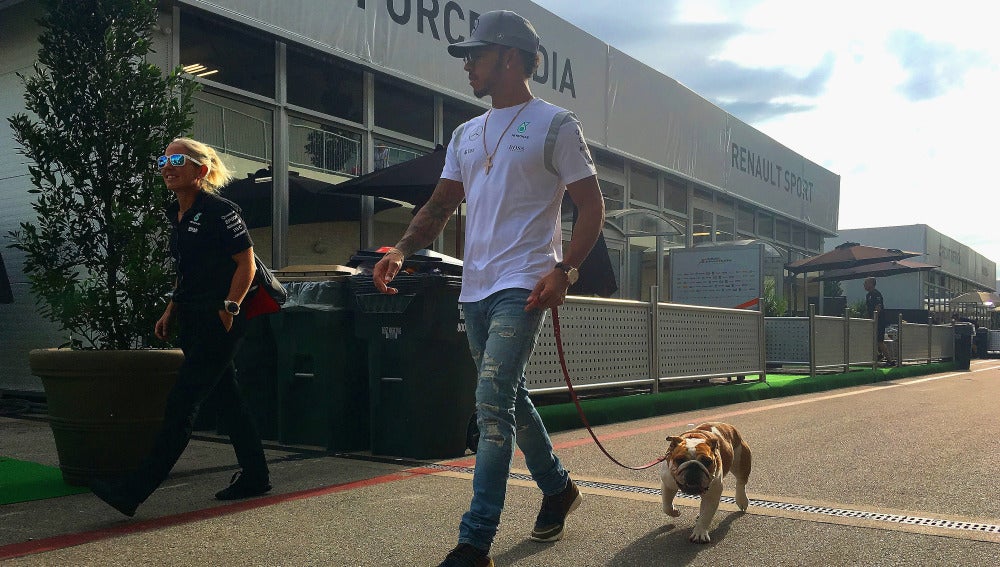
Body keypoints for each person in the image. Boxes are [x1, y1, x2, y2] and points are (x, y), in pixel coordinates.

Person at [372, 10, 604, 567]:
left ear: (509, 57)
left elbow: (592, 206)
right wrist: (403, 249)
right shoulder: (466, 133)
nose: (468, 66)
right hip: (474, 286)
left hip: (524, 282)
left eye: (475, 56)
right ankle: (558, 488)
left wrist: (564, 270)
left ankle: (474, 541)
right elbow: (441, 203)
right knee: (508, 396)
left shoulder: (556, 124)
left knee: (491, 403)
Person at [90, 137, 271, 516]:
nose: (167, 166)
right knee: (228, 399)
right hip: (191, 315)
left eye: (177, 159)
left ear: (201, 170)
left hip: (219, 319)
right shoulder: (177, 213)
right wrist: (170, 309)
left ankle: (132, 491)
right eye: (163, 159)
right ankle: (256, 475)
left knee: (181, 403)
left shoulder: (221, 210)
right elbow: (188, 272)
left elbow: (246, 264)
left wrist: (230, 308)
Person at [863, 277, 891, 363]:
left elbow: (878, 307)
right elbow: (869, 309)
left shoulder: (876, 294)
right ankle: (878, 355)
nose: (864, 285)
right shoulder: (868, 295)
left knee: (879, 341)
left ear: (871, 284)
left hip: (879, 321)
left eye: (866, 283)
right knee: (869, 339)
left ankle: (890, 360)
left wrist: (874, 318)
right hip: (872, 321)